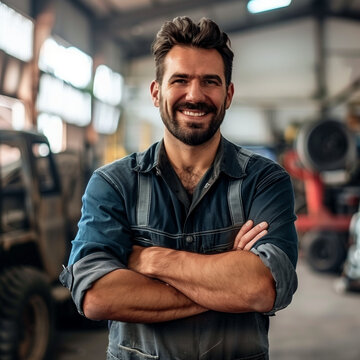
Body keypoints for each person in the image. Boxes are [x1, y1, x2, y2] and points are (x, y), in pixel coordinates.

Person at [60, 16, 298, 360]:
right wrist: (226, 275)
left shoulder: (264, 181)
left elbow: (262, 289)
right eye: (180, 80)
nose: (195, 95)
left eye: (210, 82)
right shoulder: (113, 184)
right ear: (156, 92)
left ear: (228, 94)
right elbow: (97, 296)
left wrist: (152, 259)